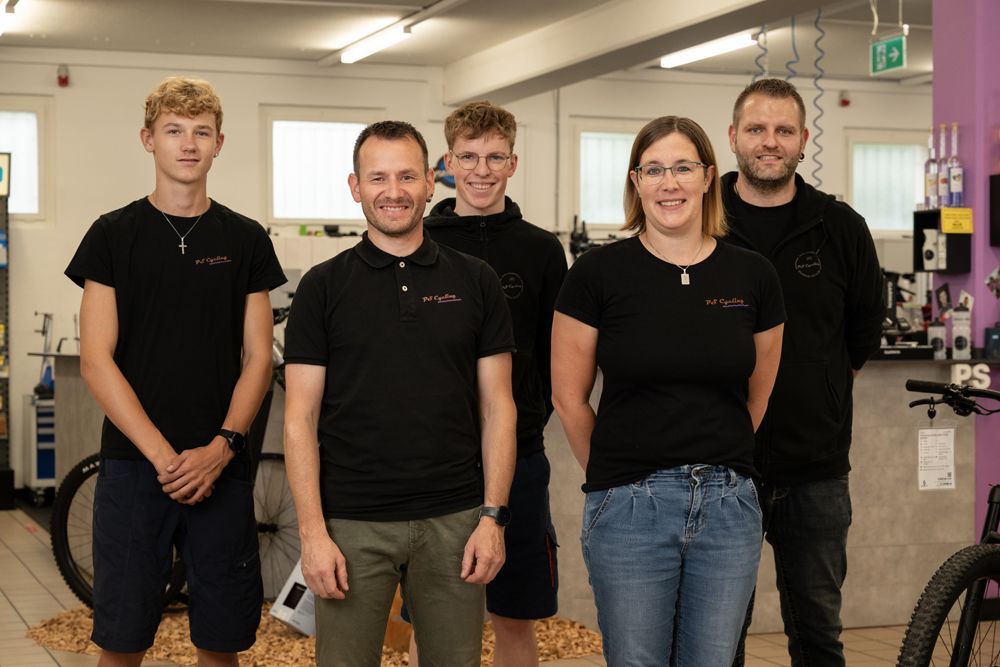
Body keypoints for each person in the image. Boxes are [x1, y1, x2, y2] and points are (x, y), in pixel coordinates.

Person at [65, 76, 286, 667]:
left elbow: (259, 357)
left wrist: (221, 447)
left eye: (201, 132)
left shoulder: (245, 240)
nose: (188, 144)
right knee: (122, 641)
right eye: (174, 131)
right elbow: (95, 360)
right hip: (137, 469)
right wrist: (166, 457)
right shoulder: (112, 236)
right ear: (148, 140)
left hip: (223, 469)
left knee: (222, 642)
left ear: (219, 144)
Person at [551, 115, 785, 666]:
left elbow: (760, 391)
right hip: (630, 504)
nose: (668, 183)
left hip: (729, 505)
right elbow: (568, 396)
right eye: (653, 170)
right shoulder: (597, 273)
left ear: (708, 177)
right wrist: (617, 476)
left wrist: (714, 450)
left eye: (682, 167)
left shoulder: (752, 275)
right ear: (636, 182)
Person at [283, 120, 518, 667]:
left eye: (407, 175)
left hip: (456, 521)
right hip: (351, 524)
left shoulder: (476, 280)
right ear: (355, 186)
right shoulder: (323, 286)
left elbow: (498, 406)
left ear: (431, 182)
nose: (394, 191)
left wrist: (493, 518)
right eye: (378, 177)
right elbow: (299, 417)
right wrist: (313, 534)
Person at [723, 78, 884, 667]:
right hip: (720, 466)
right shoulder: (701, 219)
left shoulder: (839, 227)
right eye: (758, 129)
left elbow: (863, 332)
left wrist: (818, 392)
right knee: (719, 641)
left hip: (814, 469)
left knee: (818, 634)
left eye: (784, 130)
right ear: (734, 135)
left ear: (803, 139)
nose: (770, 142)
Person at [402, 100, 566, 667]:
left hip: (517, 457)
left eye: (495, 157)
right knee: (433, 612)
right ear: (447, 161)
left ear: (513, 163)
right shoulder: (420, 243)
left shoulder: (541, 250)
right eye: (468, 156)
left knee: (514, 616)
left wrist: (526, 420)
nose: (481, 169)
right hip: (434, 460)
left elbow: (557, 355)